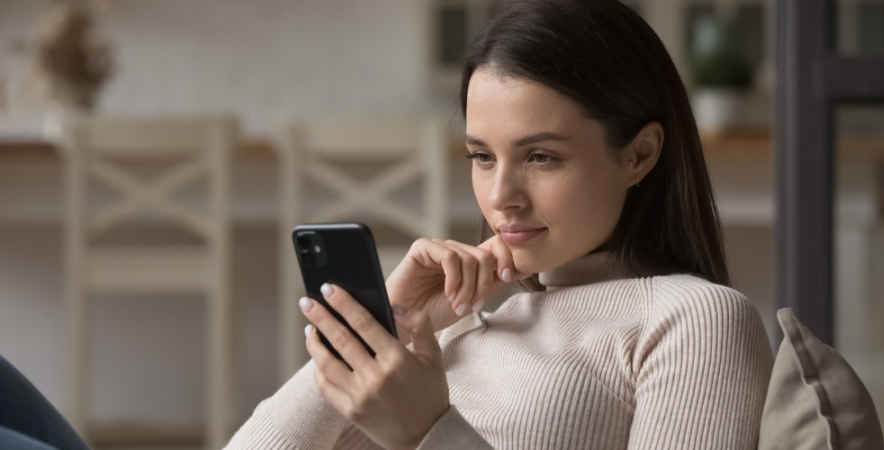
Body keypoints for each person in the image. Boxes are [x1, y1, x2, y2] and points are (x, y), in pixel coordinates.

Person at [226, 0, 774, 449]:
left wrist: (428, 430)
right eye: (482, 157)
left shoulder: (693, 320)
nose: (499, 197)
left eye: (540, 157)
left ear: (639, 154)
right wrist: (380, 328)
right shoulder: (459, 328)